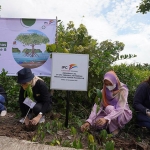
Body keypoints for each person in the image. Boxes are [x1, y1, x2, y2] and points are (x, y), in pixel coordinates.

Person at [81, 71, 132, 136]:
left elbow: (120, 109)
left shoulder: (123, 90)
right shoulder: (104, 91)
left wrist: (106, 118)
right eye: (106, 84)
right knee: (96, 123)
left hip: (122, 114)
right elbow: (97, 106)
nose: (108, 86)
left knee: (109, 108)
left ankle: (115, 130)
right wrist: (89, 121)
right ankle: (107, 127)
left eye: (110, 84)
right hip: (108, 114)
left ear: (114, 81)